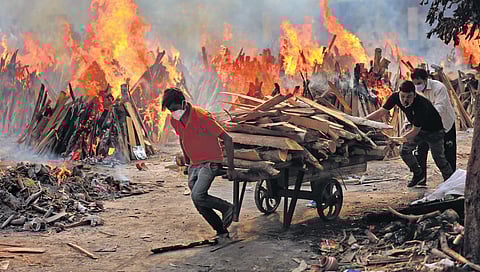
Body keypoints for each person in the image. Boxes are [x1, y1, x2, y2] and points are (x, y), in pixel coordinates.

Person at [162, 87, 237, 242]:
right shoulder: (174, 119)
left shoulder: (202, 117)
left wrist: (231, 168)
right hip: (194, 164)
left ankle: (226, 207)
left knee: (198, 195)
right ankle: (221, 231)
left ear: (183, 103)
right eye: (170, 110)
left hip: (211, 162)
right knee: (198, 201)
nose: (173, 113)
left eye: (175, 109)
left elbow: (227, 139)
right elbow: (182, 139)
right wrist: (187, 161)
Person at [367, 80, 453, 187]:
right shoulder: (395, 97)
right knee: (404, 151)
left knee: (439, 159)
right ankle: (418, 174)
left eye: (409, 97)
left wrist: (397, 139)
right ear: (399, 93)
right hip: (418, 130)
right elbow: (382, 111)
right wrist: (364, 120)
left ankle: (451, 182)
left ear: (414, 95)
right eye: (402, 96)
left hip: (434, 131)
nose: (405, 100)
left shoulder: (421, 105)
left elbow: (414, 131)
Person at [410, 68, 456, 185]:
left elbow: (439, 108)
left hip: (444, 125)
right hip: (424, 126)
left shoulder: (439, 88)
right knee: (420, 151)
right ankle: (420, 178)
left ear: (426, 79)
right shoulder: (414, 92)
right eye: (414, 84)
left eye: (419, 83)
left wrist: (421, 119)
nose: (417, 86)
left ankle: (451, 181)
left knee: (446, 154)